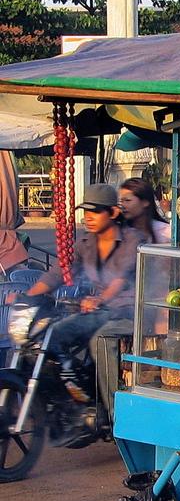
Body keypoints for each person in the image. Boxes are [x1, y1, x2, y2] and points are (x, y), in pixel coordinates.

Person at [14, 184, 144, 430]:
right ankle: (75, 397)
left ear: (113, 213)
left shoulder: (132, 239)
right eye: (86, 211)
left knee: (99, 341)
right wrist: (27, 296)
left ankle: (117, 415)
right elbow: (58, 274)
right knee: (50, 335)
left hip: (128, 312)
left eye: (95, 211)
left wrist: (100, 299)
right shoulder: (85, 242)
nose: (88, 218)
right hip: (96, 312)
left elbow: (120, 277)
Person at [117, 177, 171, 245]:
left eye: (127, 200)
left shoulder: (166, 232)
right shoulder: (119, 231)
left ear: (145, 202)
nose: (122, 205)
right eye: (121, 201)